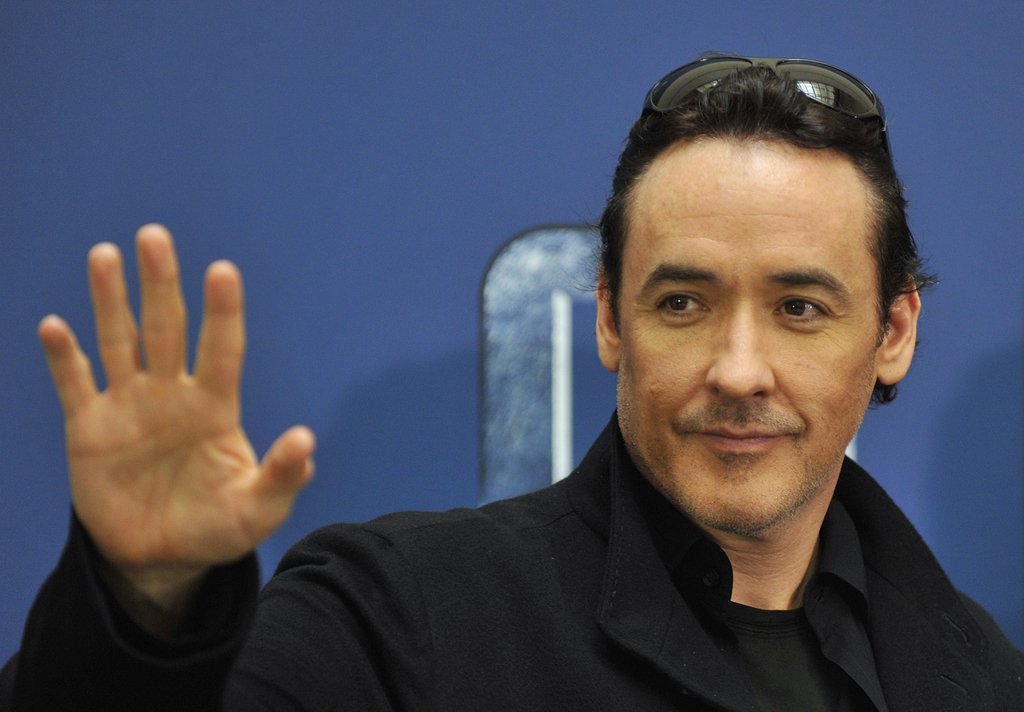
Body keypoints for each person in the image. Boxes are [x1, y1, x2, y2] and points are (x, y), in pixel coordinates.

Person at [2, 55, 1021, 711]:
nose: (738, 370)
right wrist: (145, 608)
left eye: (799, 307)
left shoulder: (980, 677)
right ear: (610, 320)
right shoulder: (395, 614)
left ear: (892, 332)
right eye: (682, 302)